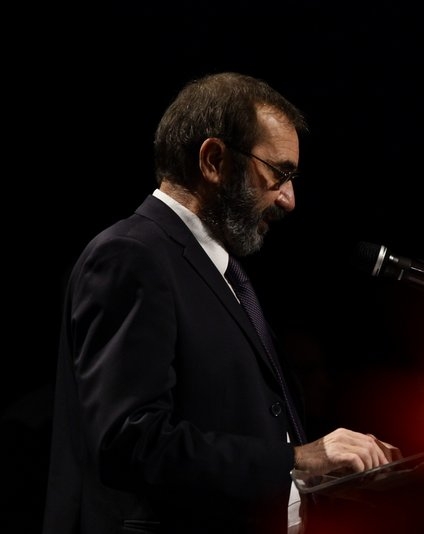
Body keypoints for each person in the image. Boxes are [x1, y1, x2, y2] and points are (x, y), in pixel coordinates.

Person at [42, 71, 401, 534]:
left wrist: (317, 481)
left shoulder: (219, 268)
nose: (289, 199)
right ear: (213, 160)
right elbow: (129, 441)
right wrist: (296, 459)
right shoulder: (131, 256)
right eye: (279, 174)